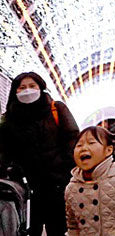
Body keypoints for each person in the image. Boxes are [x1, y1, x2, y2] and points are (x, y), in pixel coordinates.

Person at [0, 72, 79, 236]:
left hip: (58, 185)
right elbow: (6, 151)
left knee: (59, 229)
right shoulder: (10, 119)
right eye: (22, 87)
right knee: (27, 230)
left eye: (32, 86)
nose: (27, 91)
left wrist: (65, 171)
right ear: (15, 91)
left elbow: (72, 138)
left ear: (41, 88)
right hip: (27, 188)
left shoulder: (56, 109)